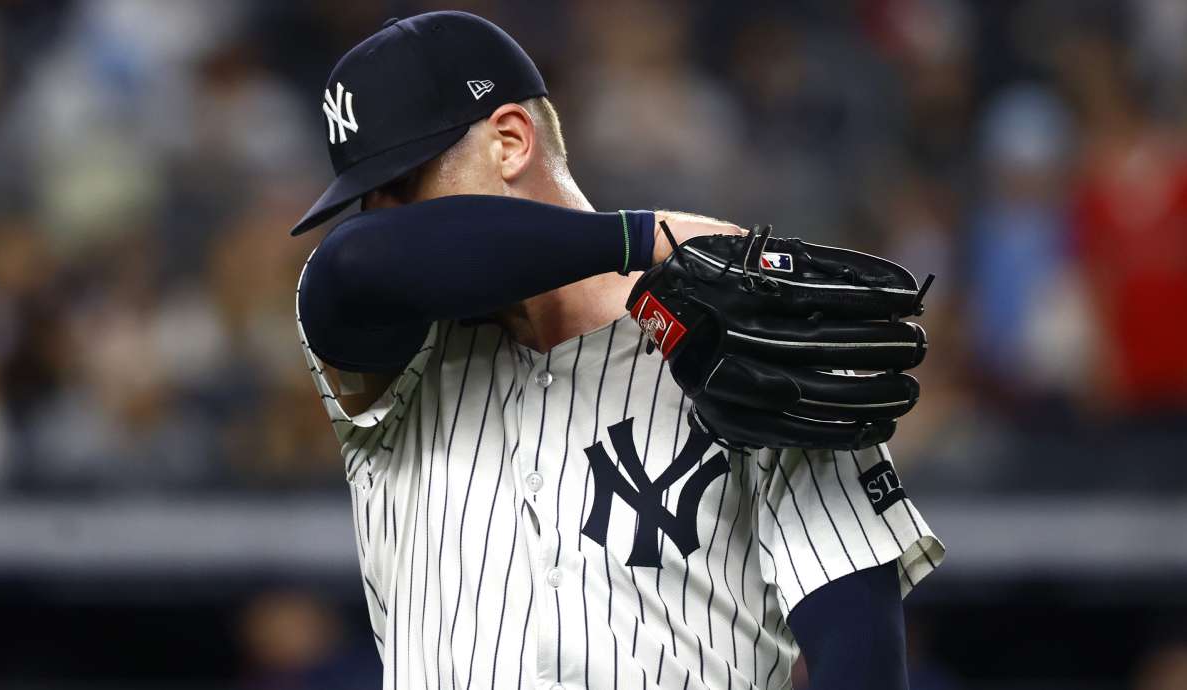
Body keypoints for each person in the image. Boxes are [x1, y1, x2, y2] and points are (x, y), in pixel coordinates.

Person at [290, 12, 944, 689]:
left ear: (511, 141)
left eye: (403, 187)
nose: (381, 217)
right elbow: (355, 262)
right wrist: (642, 238)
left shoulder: (754, 343)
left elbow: (856, 649)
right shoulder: (391, 355)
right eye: (367, 200)